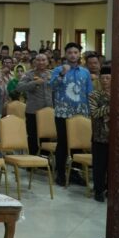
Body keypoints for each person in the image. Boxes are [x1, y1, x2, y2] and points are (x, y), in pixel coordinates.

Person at [50, 43, 92, 186]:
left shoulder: (85, 72)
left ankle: (74, 173)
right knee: (63, 143)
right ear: (66, 54)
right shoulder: (58, 70)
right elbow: (52, 86)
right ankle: (60, 174)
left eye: (75, 52)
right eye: (70, 52)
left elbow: (89, 92)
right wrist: (62, 73)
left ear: (79, 54)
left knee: (78, 145)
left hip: (81, 112)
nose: (73, 55)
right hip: (63, 112)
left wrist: (90, 111)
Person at [16, 54, 53, 155]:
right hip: (33, 111)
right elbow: (19, 88)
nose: (41, 62)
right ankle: (32, 158)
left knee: (46, 136)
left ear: (47, 62)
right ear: (34, 62)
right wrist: (35, 83)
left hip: (48, 110)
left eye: (43, 60)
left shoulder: (52, 74)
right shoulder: (28, 74)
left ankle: (44, 159)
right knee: (32, 136)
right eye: (38, 60)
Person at [89, 67, 110, 202]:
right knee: (99, 166)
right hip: (100, 135)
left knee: (114, 166)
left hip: (116, 138)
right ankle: (98, 191)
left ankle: (111, 189)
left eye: (108, 78)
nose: (105, 81)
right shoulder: (94, 95)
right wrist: (110, 107)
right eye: (103, 78)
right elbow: (95, 113)